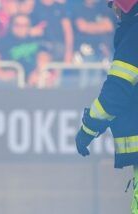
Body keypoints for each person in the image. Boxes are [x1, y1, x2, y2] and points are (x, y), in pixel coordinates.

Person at [75, 1, 138, 213]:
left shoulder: (134, 36)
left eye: (115, 5)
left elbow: (115, 93)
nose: (115, 12)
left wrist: (88, 128)